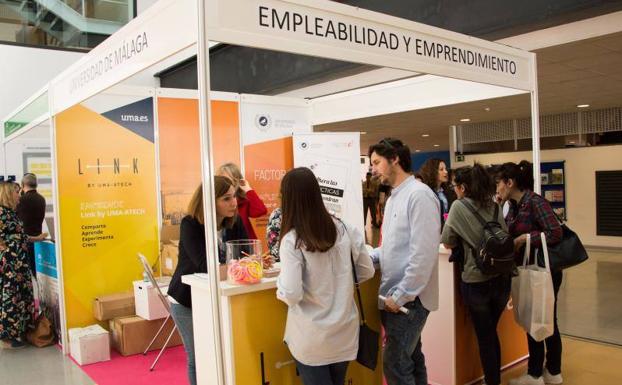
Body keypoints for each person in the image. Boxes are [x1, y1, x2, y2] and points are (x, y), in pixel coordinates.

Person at [276, 167, 374, 385]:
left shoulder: (292, 241)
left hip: (312, 336)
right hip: (344, 332)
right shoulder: (346, 228)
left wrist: (279, 284)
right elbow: (367, 270)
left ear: (288, 199)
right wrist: (342, 280)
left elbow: (291, 293)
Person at [368, 138, 441, 385]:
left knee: (395, 363)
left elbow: (423, 254)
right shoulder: (392, 199)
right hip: (395, 298)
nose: (373, 169)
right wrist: (365, 256)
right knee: (411, 359)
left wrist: (401, 295)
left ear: (395, 158)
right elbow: (390, 248)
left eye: (377, 162)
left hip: (410, 300)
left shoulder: (419, 195)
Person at [167, 177, 248, 385]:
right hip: (186, 300)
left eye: (234, 197)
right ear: (210, 201)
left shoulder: (235, 221)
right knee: (198, 357)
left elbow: (247, 256)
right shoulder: (190, 223)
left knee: (222, 353)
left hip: (220, 297)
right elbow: (206, 265)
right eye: (226, 198)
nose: (234, 203)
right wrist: (237, 265)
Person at [440, 163, 510, 385]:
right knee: (490, 332)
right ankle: (494, 380)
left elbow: (447, 240)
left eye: (455, 187)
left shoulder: (459, 207)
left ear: (462, 187)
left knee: (485, 335)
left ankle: (492, 381)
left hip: (476, 280)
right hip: (501, 278)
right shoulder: (494, 206)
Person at [496, 161, 564, 385]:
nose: (497, 189)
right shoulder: (514, 205)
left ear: (510, 182)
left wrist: (526, 238)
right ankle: (549, 371)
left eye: (499, 184)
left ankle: (539, 372)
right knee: (534, 317)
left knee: (542, 318)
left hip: (544, 271)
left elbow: (555, 232)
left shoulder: (534, 202)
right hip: (530, 269)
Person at [0, 181, 35, 349]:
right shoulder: (1, 212)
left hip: (20, 263)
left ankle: (21, 330)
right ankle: (7, 337)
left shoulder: (11, 212)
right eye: (16, 192)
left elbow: (20, 236)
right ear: (7, 193)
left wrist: (36, 238)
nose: (19, 196)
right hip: (10, 265)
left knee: (22, 295)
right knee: (11, 297)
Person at [217, 163, 267, 239]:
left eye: (229, 180)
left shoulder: (242, 199)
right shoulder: (216, 200)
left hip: (244, 242)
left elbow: (260, 211)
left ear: (237, 181)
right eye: (223, 180)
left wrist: (248, 189)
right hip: (225, 241)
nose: (226, 184)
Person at [16, 173, 48, 276]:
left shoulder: (21, 200)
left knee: (27, 274)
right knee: (37, 273)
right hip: (39, 239)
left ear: (23, 185)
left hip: (25, 241)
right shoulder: (41, 199)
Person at [419, 158, 456, 228]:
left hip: (447, 228)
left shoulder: (447, 191)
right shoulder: (427, 192)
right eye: (441, 169)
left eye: (445, 169)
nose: (446, 172)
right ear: (433, 172)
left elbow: (447, 212)